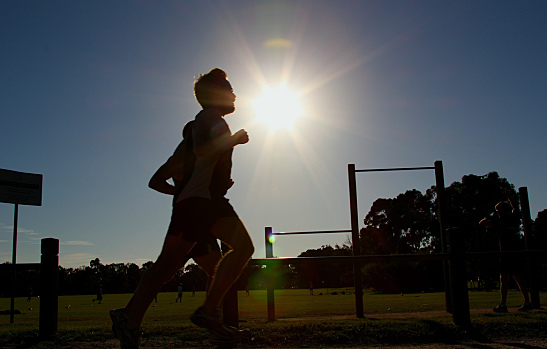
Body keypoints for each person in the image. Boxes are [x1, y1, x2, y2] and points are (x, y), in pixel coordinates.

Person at [110, 68, 254, 348]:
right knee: (173, 265)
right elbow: (203, 150)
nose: (235, 94)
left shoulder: (206, 124)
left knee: (169, 266)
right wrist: (233, 140)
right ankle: (204, 314)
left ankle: (130, 319)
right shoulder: (209, 118)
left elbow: (193, 161)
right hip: (199, 203)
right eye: (229, 88)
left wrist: (205, 183)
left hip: (204, 201)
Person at [479, 195, 533, 313]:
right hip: (515, 251)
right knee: (518, 277)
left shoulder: (499, 221)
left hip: (505, 252)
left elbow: (482, 223)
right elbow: (516, 208)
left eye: (498, 211)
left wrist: (487, 217)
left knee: (504, 279)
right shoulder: (513, 218)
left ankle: (503, 304)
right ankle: (527, 301)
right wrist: (511, 198)